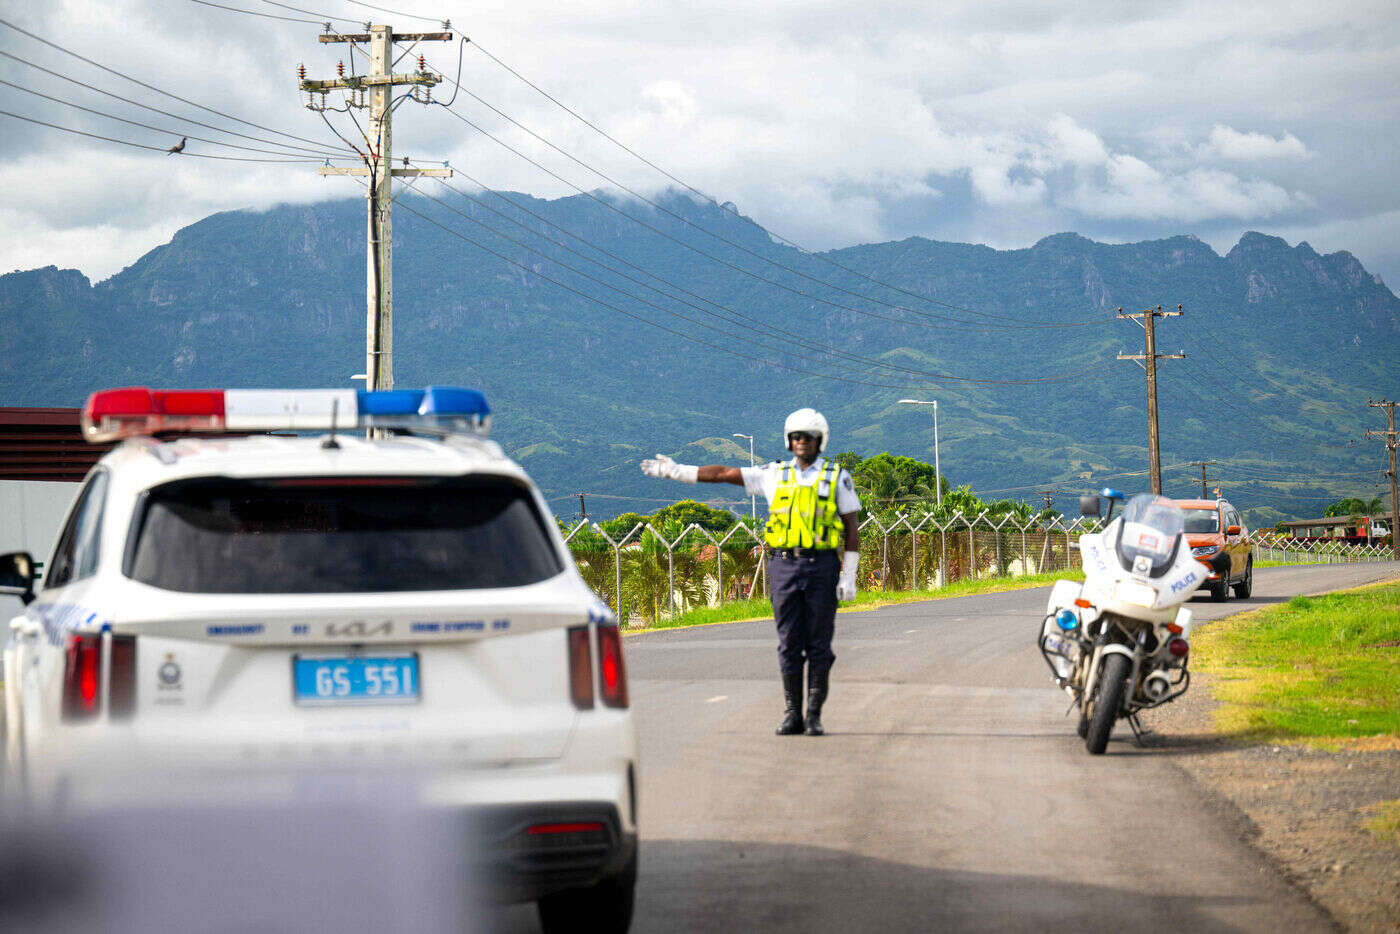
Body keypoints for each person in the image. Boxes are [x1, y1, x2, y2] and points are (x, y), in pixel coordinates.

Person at [641, 409, 861, 736]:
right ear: (790, 440)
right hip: (783, 565)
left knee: (818, 643)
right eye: (796, 436)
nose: (802, 442)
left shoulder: (836, 477)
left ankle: (813, 714)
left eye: (808, 436)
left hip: (822, 566)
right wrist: (678, 472)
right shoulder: (774, 473)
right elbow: (724, 473)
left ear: (820, 440)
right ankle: (792, 713)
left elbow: (851, 530)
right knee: (788, 641)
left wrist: (849, 576)